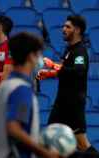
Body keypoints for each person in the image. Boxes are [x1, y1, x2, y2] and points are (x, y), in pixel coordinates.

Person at [0, 32, 59, 158]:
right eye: (38, 54)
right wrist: (45, 153)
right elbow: (14, 128)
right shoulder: (21, 89)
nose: (40, 58)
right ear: (31, 56)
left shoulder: (6, 85)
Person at [38, 15, 98, 153]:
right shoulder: (69, 50)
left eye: (67, 27)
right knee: (49, 140)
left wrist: (53, 66)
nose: (63, 29)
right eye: (64, 26)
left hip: (73, 105)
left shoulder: (80, 51)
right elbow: (67, 71)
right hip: (62, 103)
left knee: (82, 145)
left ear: (77, 30)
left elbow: (78, 71)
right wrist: (50, 73)